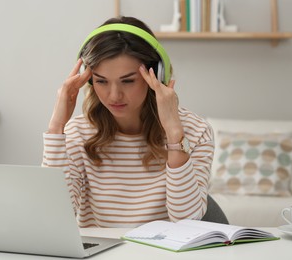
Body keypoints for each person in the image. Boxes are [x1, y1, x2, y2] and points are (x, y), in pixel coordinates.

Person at [42, 16, 214, 228]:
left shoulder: (195, 131)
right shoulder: (77, 133)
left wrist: (174, 133)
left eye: (128, 81)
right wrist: (56, 128)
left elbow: (188, 220)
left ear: (157, 75)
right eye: (101, 81)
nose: (114, 96)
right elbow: (54, 217)